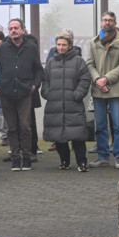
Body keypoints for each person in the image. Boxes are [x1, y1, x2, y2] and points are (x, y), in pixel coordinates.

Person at [0, 18, 44, 171]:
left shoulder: (31, 48)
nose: (13, 31)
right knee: (11, 128)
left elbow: (38, 69)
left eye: (16, 28)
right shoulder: (2, 48)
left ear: (23, 30)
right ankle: (15, 158)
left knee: (25, 126)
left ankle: (27, 157)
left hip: (25, 92)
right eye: (10, 28)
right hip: (6, 92)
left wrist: (35, 85)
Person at [86, 11, 119, 169]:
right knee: (100, 126)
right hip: (98, 89)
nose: (107, 22)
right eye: (104, 20)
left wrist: (106, 79)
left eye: (110, 20)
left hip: (115, 88)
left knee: (118, 125)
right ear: (101, 22)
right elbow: (89, 64)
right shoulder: (94, 42)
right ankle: (102, 156)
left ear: (115, 23)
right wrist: (98, 80)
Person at [41, 32, 91, 172]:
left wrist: (77, 94)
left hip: (73, 104)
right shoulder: (51, 63)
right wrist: (47, 93)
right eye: (58, 44)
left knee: (78, 136)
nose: (61, 47)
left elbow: (85, 79)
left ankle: (82, 162)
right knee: (58, 136)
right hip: (55, 105)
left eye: (64, 45)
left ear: (70, 46)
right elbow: (45, 80)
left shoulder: (79, 62)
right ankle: (64, 161)